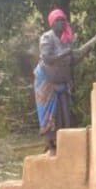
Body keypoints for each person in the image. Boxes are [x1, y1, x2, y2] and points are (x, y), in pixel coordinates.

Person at [34, 8, 85, 155]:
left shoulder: (66, 39)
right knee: (49, 114)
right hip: (47, 81)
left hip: (62, 81)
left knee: (64, 112)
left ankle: (63, 143)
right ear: (51, 23)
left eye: (63, 19)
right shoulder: (46, 38)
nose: (61, 22)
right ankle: (50, 145)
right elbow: (47, 58)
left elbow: (71, 62)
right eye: (58, 20)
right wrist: (66, 52)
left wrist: (84, 54)